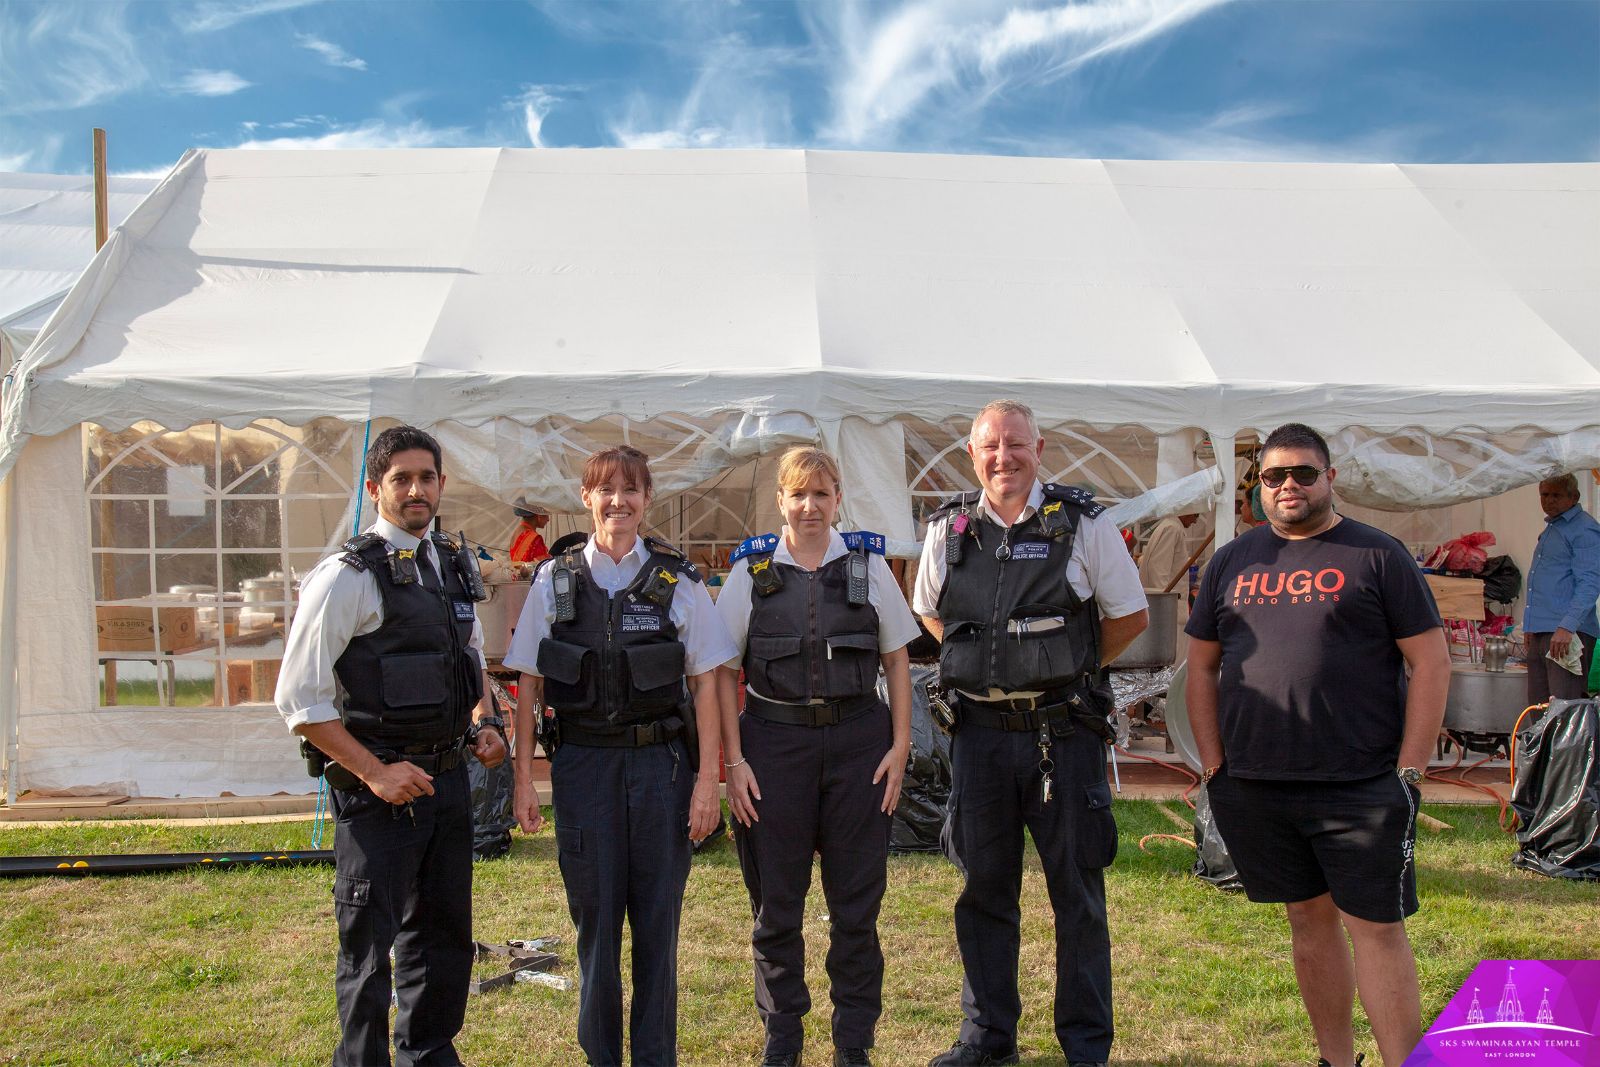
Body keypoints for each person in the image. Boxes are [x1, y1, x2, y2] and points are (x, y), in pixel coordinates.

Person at [1184, 422, 1451, 1067]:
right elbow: (1198, 665)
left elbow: (1433, 662)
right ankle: (1337, 1061)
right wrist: (1214, 763)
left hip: (1361, 783)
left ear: (1329, 477)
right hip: (1259, 783)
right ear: (1260, 487)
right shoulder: (1232, 560)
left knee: (1378, 930)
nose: (1289, 486)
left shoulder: (1378, 555)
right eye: (1274, 476)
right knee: (1306, 921)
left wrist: (1410, 770)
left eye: (1304, 472)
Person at [913, 400, 1148, 1067]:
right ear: (972, 453)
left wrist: (1067, 668)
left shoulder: (1082, 524)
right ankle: (986, 1040)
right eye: (990, 446)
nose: (1003, 457)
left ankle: (1085, 1046)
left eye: (1016, 444)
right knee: (983, 889)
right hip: (979, 738)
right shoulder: (948, 527)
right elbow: (929, 613)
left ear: (1039, 448)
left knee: (1076, 893)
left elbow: (1127, 616)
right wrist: (995, 668)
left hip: (1062, 736)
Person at [276, 424, 508, 1067]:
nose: (416, 490)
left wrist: (480, 725)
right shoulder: (346, 577)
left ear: (441, 485)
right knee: (369, 955)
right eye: (401, 479)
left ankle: (429, 1054)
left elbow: (462, 661)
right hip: (380, 799)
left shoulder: (450, 565)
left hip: (447, 785)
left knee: (442, 944)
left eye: (427, 477)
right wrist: (375, 773)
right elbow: (298, 701)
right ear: (375, 488)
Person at [505, 445, 734, 1067]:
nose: (618, 502)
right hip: (582, 772)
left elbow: (707, 682)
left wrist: (706, 782)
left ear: (646, 501)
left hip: (660, 771)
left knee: (658, 930)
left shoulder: (677, 581)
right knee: (596, 931)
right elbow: (525, 682)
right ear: (586, 498)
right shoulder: (553, 582)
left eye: (631, 490)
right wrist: (525, 781)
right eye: (606, 490)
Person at [715, 446, 920, 1067]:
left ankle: (852, 1045)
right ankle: (784, 1040)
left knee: (856, 910)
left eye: (822, 494)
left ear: (838, 500)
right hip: (772, 750)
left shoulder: (866, 567)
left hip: (859, 745)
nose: (810, 507)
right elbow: (723, 672)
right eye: (798, 495)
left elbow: (897, 659)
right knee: (777, 907)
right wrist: (733, 761)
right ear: (780, 500)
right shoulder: (750, 573)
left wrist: (902, 744)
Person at [1523, 473, 1600, 704]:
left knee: (1563, 712)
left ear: (1574, 496)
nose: (1549, 501)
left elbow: (1590, 582)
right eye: (1544, 495)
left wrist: (1567, 627)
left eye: (1556, 495)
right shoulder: (1552, 529)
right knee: (1538, 711)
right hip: (1542, 630)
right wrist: (1530, 626)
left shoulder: (1584, 529)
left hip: (1567, 634)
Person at [1137, 512, 1199, 592]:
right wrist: (1163, 599)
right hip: (1167, 599)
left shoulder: (1174, 528)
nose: (1195, 521)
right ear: (1186, 512)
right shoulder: (1171, 529)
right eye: (1196, 515)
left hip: (1171, 598)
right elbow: (1158, 569)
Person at [509, 498, 552, 564]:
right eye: (546, 514)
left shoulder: (517, 531)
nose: (548, 519)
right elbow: (542, 567)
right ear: (539, 515)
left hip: (518, 574)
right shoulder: (535, 538)